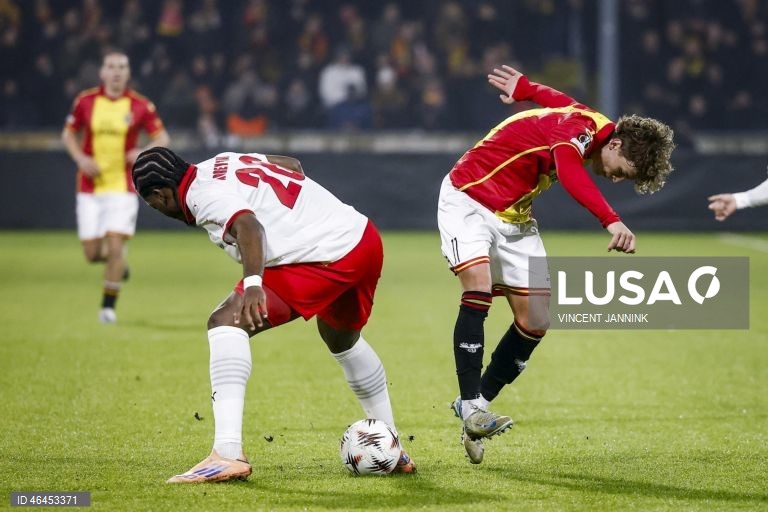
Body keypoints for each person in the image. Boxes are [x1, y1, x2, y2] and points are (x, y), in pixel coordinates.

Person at [131, 147, 416, 483]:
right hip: (362, 238)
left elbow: (250, 227)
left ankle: (227, 453)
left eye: (154, 205)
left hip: (327, 257)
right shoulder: (223, 161)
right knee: (341, 338)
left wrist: (254, 283)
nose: (160, 211)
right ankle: (392, 448)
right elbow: (292, 165)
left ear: (161, 196)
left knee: (224, 322)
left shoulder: (201, 196)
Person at [438, 65, 675, 464]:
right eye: (621, 172)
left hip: (515, 216)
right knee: (477, 288)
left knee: (536, 321)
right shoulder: (581, 134)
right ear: (615, 145)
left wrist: (526, 88)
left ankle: (476, 405)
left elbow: (557, 101)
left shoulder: (593, 123)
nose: (615, 180)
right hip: (469, 198)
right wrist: (610, 218)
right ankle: (468, 403)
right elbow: (567, 170)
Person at [62, 50, 170, 324]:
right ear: (103, 72)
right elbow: (68, 134)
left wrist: (143, 151)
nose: (117, 71)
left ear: (128, 73)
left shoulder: (140, 106)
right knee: (92, 254)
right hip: (90, 187)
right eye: (111, 66)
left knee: (115, 241)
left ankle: (107, 309)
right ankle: (119, 263)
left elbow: (163, 137)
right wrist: (81, 158)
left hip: (123, 187)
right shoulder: (85, 102)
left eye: (122, 66)